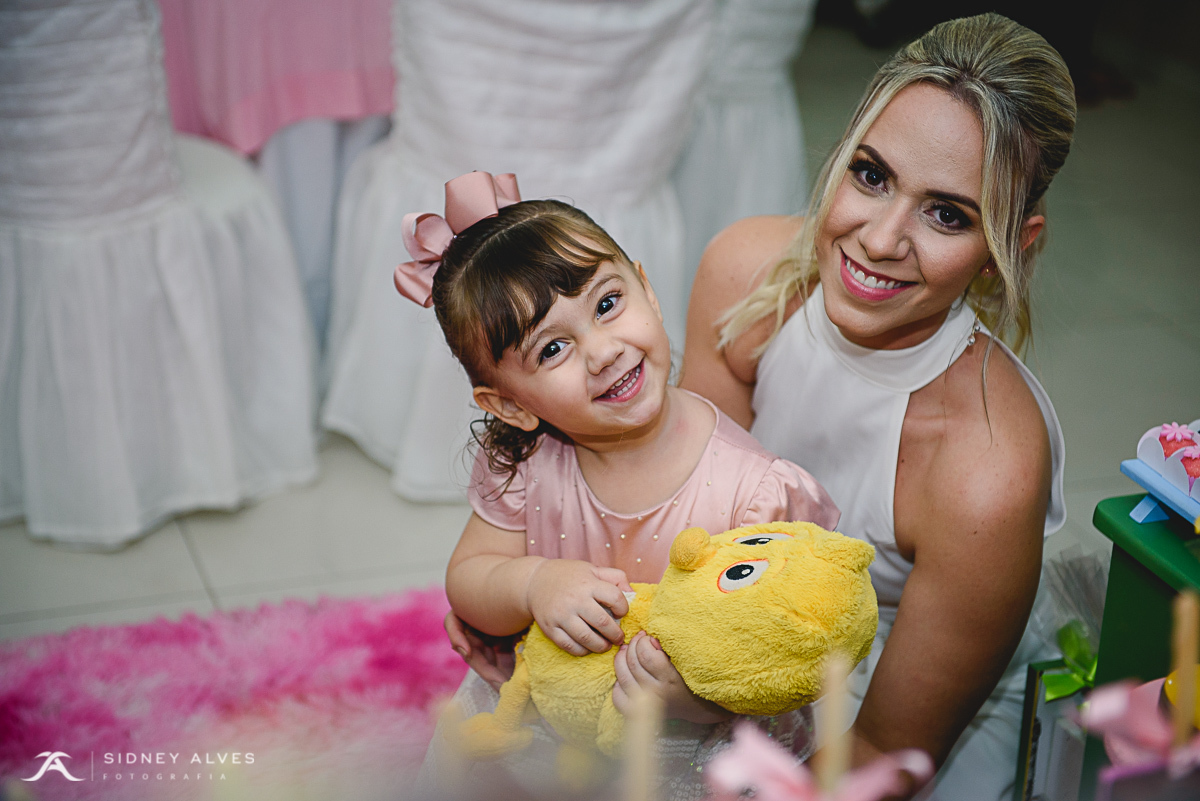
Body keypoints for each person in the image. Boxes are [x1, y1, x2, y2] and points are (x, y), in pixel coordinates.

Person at [681, 13, 1072, 800]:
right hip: (737, 614)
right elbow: (683, 524)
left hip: (878, 708)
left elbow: (885, 752)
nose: (880, 238)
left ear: (1009, 248)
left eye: (947, 214)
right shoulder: (747, 280)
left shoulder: (986, 470)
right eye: (871, 175)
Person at [402, 171, 840, 800]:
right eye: (552, 349)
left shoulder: (755, 493)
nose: (603, 352)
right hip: (552, 727)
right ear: (510, 405)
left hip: (697, 749)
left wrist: (694, 697)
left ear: (648, 291)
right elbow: (469, 576)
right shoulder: (528, 463)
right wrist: (532, 584)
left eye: (608, 305)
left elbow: (798, 649)